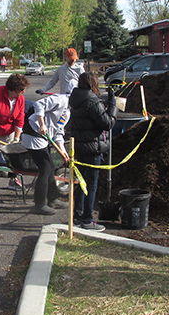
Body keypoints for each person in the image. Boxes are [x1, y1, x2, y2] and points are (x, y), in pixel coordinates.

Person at [69, 72, 118, 232]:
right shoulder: (92, 101)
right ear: (93, 84)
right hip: (92, 149)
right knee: (91, 185)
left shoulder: (76, 99)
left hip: (79, 147)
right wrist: (113, 106)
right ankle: (88, 219)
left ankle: (76, 217)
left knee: (80, 184)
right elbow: (107, 123)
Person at [21, 93, 70, 215]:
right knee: (45, 168)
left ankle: (53, 199)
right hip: (33, 133)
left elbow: (59, 131)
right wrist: (42, 124)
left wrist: (63, 150)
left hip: (43, 139)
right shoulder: (61, 99)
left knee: (51, 167)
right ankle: (39, 204)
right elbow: (39, 104)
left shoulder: (68, 111)